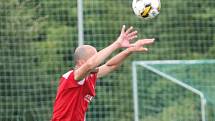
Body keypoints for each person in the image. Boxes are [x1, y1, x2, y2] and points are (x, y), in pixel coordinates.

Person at [51, 25, 154, 121]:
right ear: (81, 62)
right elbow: (91, 64)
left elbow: (110, 65)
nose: (98, 60)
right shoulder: (72, 77)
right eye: (95, 57)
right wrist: (117, 44)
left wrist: (129, 50)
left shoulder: (90, 76)